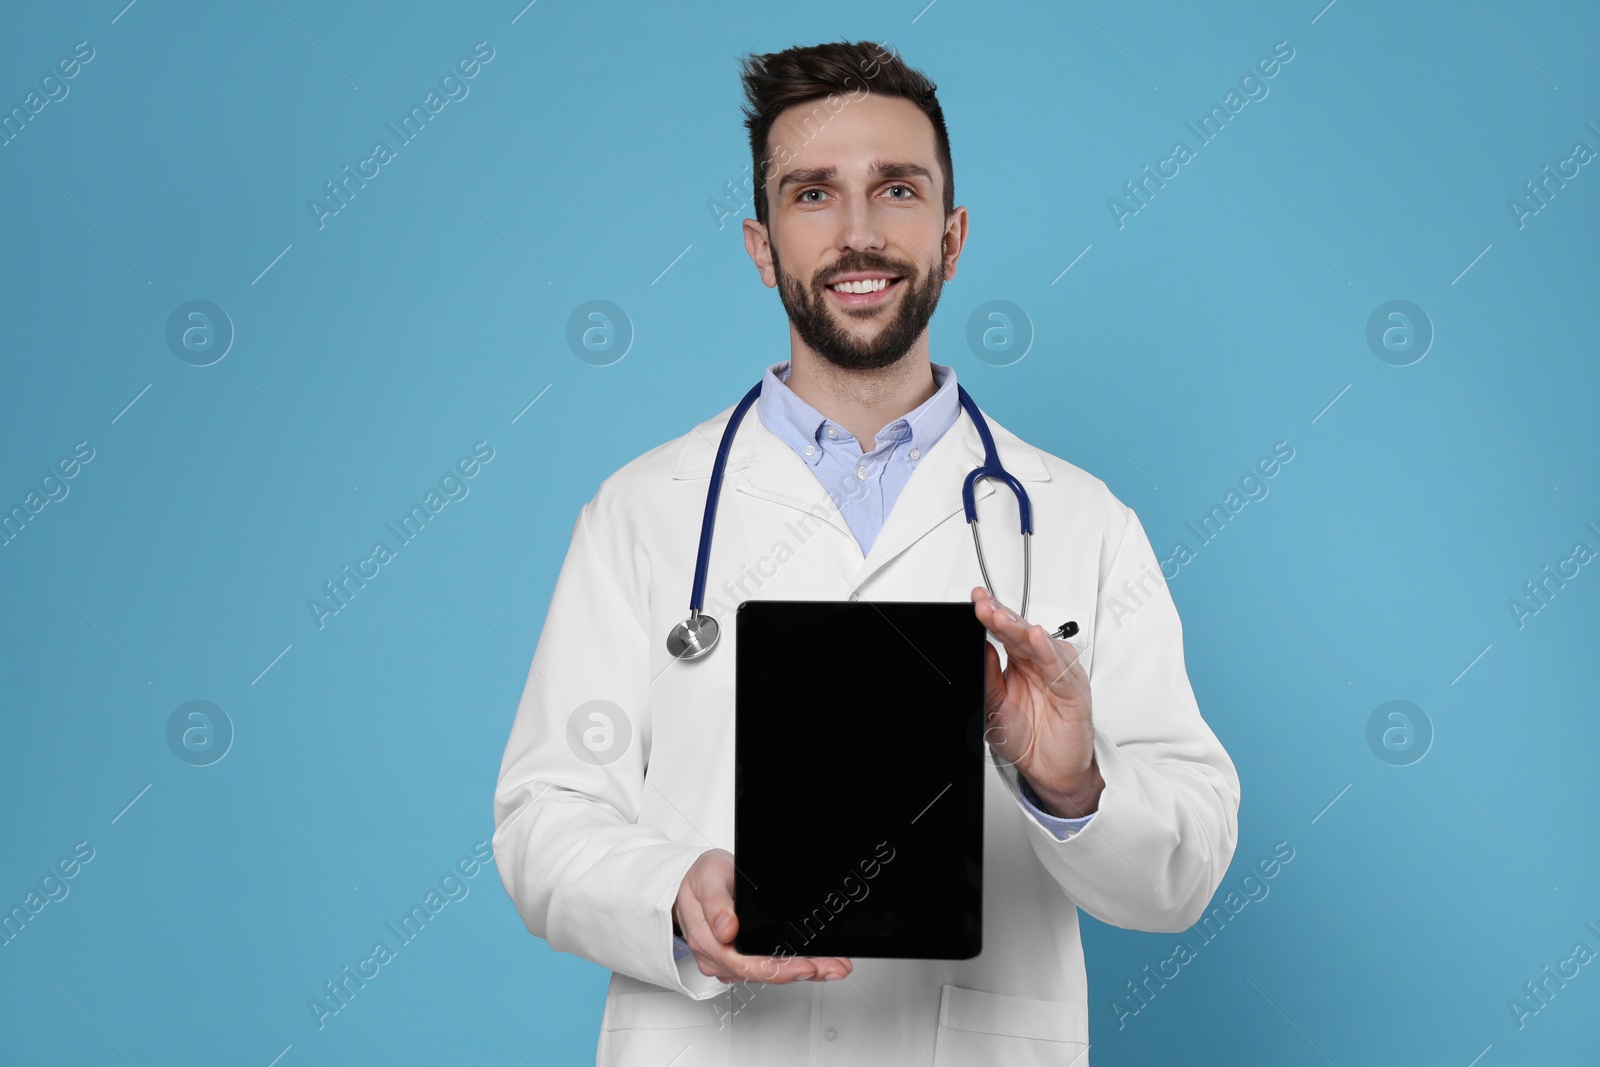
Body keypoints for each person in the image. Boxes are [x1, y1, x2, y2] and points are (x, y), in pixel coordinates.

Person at [492, 39, 1239, 1066]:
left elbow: (1184, 869)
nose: (857, 233)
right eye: (811, 194)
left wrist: (1070, 783)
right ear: (761, 245)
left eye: (895, 189)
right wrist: (668, 889)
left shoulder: (1078, 519)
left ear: (952, 233)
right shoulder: (641, 512)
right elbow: (543, 817)